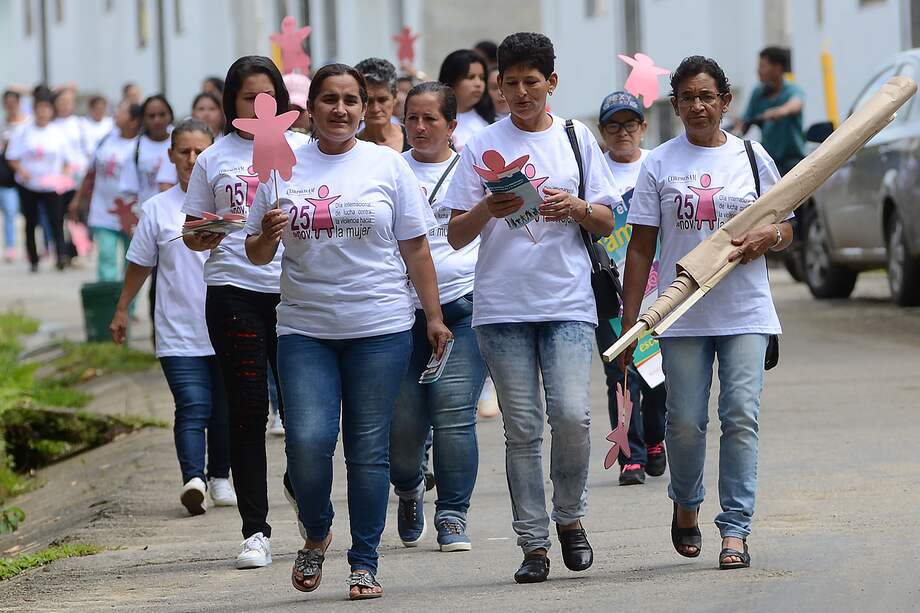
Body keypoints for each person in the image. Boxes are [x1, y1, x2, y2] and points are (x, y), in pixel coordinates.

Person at [244, 63, 449, 601]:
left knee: (367, 450)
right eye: (330, 99)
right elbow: (257, 251)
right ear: (310, 107)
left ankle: (364, 560)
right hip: (304, 329)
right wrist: (265, 236)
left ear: (365, 108)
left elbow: (416, 247)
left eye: (351, 101)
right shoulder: (279, 164)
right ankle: (315, 531)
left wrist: (432, 316)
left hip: (379, 326)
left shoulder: (387, 165)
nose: (341, 110)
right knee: (308, 443)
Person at [444, 32, 618, 584]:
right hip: (501, 307)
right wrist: (486, 209)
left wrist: (578, 207)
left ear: (551, 83)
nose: (521, 93)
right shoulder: (478, 145)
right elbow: (453, 234)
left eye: (531, 83)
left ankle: (571, 518)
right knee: (521, 427)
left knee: (571, 414)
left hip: (567, 300)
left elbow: (610, 220)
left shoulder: (576, 138)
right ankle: (534, 543)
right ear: (498, 85)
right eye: (510, 83)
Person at [620, 55, 793, 570]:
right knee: (686, 422)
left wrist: (771, 236)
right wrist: (634, 323)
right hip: (683, 313)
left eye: (707, 97)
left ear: (725, 101)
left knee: (740, 416)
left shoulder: (752, 156)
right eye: (688, 97)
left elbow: (787, 227)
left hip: (745, 311)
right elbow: (639, 248)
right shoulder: (659, 163)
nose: (698, 106)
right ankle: (686, 501)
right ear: (674, 104)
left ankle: (736, 528)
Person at [182, 55, 307, 570]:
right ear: (232, 102)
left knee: (306, 411)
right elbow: (192, 233)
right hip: (234, 289)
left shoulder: (305, 150)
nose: (259, 106)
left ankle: (302, 488)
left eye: (268, 97)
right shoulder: (215, 158)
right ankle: (255, 529)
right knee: (249, 408)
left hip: (300, 292)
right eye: (247, 98)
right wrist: (205, 232)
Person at [110, 118, 236, 516]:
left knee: (225, 409)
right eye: (184, 151)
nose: (192, 159)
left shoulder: (231, 206)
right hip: (178, 330)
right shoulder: (157, 210)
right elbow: (139, 264)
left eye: (200, 152)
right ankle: (193, 479)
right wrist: (121, 310)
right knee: (192, 404)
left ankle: (220, 477)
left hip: (228, 325)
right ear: (171, 155)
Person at [389, 81, 486, 553]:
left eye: (431, 119)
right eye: (412, 118)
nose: (420, 127)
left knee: (452, 415)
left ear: (452, 124)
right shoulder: (388, 169)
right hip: (396, 313)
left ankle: (452, 514)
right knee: (404, 423)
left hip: (463, 305)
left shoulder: (474, 169)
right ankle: (409, 487)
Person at [594, 90, 668, 486]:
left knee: (661, 373)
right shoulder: (594, 173)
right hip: (611, 293)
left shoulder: (657, 166)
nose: (622, 132)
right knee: (620, 374)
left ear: (643, 127)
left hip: (663, 289)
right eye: (613, 125)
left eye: (630, 124)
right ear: (602, 131)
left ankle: (656, 437)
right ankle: (630, 455)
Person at [6, 88, 75, 271]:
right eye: (39, 108)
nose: (43, 112)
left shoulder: (57, 132)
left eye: (46, 108)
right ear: (34, 109)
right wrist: (22, 170)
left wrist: (63, 177)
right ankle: (33, 258)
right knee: (31, 222)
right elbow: (12, 156)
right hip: (29, 185)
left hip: (51, 186)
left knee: (56, 220)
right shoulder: (23, 131)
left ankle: (61, 255)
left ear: (51, 110)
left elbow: (69, 160)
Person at [73, 100, 141, 282]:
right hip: (103, 210)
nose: (115, 113)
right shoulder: (106, 139)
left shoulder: (141, 145)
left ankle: (127, 307)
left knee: (131, 261)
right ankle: (109, 305)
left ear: (134, 120)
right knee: (106, 257)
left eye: (121, 110)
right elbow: (90, 171)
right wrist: (77, 200)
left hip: (132, 214)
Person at [737, 47, 805, 176]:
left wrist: (780, 112)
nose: (758, 70)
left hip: (793, 164)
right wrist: (734, 134)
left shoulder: (792, 90)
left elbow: (796, 104)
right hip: (768, 162)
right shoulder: (758, 92)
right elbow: (745, 121)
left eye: (762, 66)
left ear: (777, 68)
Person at [120, 94, 174, 207]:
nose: (157, 120)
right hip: (145, 215)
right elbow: (129, 191)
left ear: (170, 115)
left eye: (162, 114)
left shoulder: (180, 141)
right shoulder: (135, 147)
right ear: (143, 119)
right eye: (151, 116)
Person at [438, 50, 494, 151]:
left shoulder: (490, 123)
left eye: (482, 78)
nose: (478, 84)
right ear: (451, 79)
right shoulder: (433, 119)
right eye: (470, 77)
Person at [355, 57, 409, 152]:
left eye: (382, 100)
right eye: (369, 101)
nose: (376, 109)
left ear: (395, 96)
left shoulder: (416, 142)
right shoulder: (349, 148)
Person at [1, 90, 29, 263]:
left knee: (30, 215)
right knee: (10, 212)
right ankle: (11, 247)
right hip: (7, 178)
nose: (10, 106)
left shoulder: (29, 123)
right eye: (7, 103)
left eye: (13, 102)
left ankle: (31, 247)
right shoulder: (2, 125)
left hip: (28, 176)